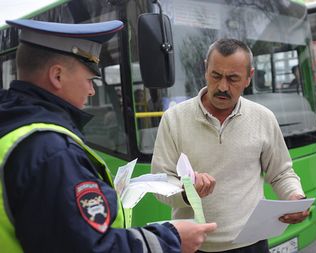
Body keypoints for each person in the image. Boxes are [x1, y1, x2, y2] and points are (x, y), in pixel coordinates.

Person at [0, 19, 216, 253]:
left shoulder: (14, 128)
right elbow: (89, 247)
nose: (92, 91)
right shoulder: (51, 150)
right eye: (89, 80)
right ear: (57, 76)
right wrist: (170, 238)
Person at [151, 38, 309, 252]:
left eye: (233, 78)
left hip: (251, 244)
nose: (222, 87)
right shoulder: (174, 119)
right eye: (216, 76)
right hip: (193, 245)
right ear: (205, 69)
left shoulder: (263, 118)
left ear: (249, 77)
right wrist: (188, 191)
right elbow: (159, 185)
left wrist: (294, 197)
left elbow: (281, 173)